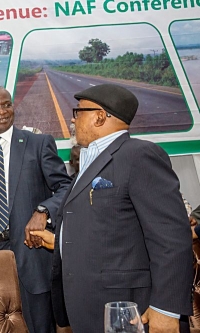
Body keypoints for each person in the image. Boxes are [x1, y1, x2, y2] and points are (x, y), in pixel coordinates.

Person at [50, 84, 193, 333]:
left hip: (129, 312)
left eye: (78, 112)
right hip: (91, 307)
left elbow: (171, 237)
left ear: (100, 116)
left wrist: (166, 309)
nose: (72, 120)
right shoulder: (89, 160)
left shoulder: (139, 155)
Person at [0, 85, 72, 333]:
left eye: (7, 104)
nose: (2, 111)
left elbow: (66, 187)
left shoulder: (38, 143)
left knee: (38, 326)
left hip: (31, 254)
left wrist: (43, 210)